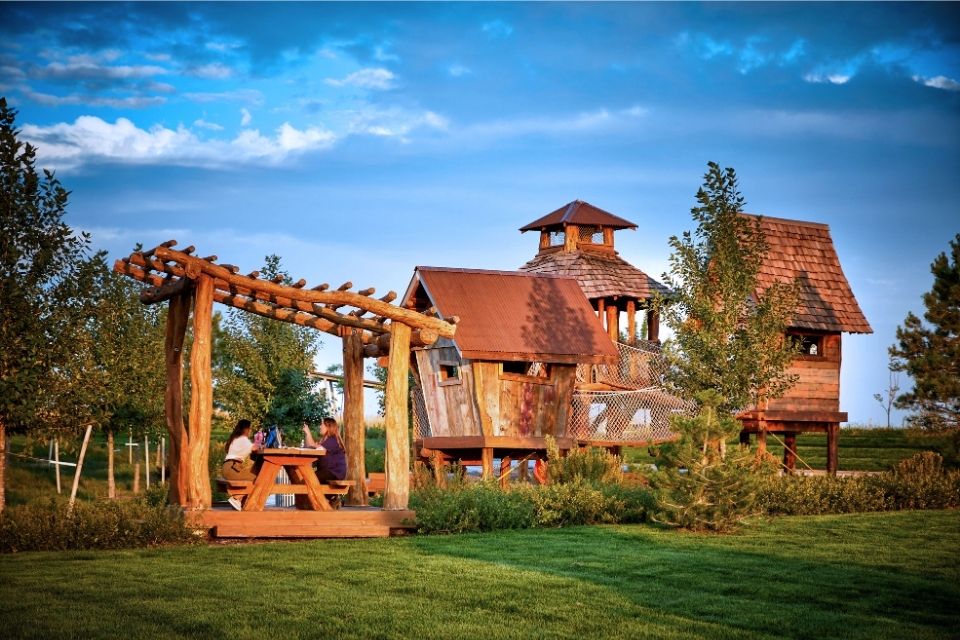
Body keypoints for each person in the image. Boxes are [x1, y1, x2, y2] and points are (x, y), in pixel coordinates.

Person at [222, 419, 259, 511]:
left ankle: (241, 500)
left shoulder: (235, 438)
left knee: (257, 476)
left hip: (229, 467)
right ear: (245, 429)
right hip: (232, 468)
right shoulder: (242, 439)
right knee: (260, 479)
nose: (250, 431)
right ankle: (236, 498)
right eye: (250, 428)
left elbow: (253, 455)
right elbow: (256, 448)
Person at [302, 417, 347, 483]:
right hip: (327, 472)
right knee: (307, 477)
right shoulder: (325, 441)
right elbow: (310, 446)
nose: (320, 427)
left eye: (321, 424)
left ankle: (313, 490)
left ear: (328, 427)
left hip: (334, 473)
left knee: (308, 478)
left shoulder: (332, 440)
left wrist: (308, 432)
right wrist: (307, 434)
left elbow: (313, 446)